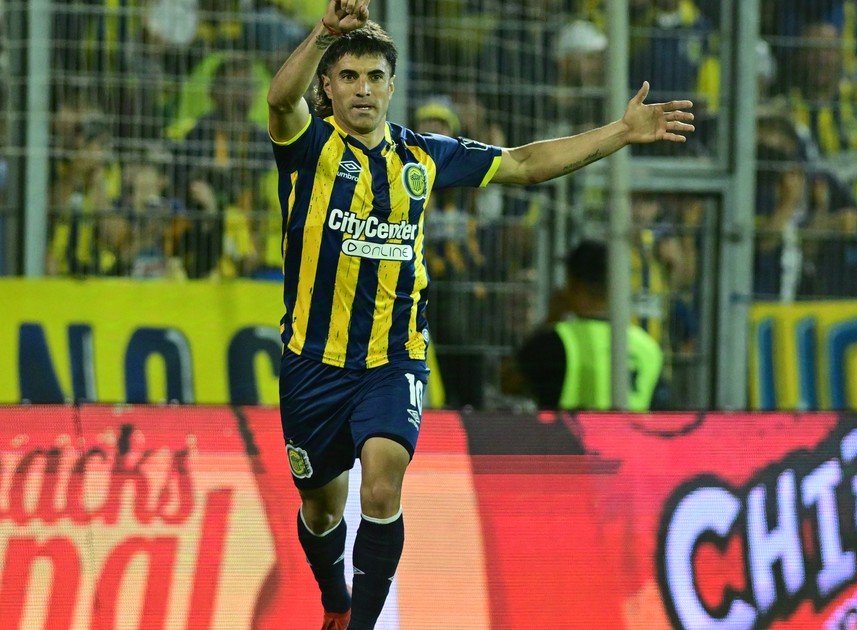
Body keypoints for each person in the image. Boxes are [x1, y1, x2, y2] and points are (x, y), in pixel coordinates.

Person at [265, 2, 694, 629]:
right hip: (313, 362)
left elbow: (524, 163)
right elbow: (280, 100)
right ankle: (335, 597)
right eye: (348, 76)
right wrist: (321, 35)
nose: (362, 89)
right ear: (327, 87)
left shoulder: (422, 156)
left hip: (393, 358)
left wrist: (621, 133)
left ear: (392, 86)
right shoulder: (308, 148)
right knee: (322, 509)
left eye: (375, 77)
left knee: (381, 488)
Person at [508, 240, 664, 411]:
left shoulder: (557, 340)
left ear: (575, 286)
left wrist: (551, 318)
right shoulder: (648, 348)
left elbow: (509, 383)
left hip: (570, 429)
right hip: (631, 430)